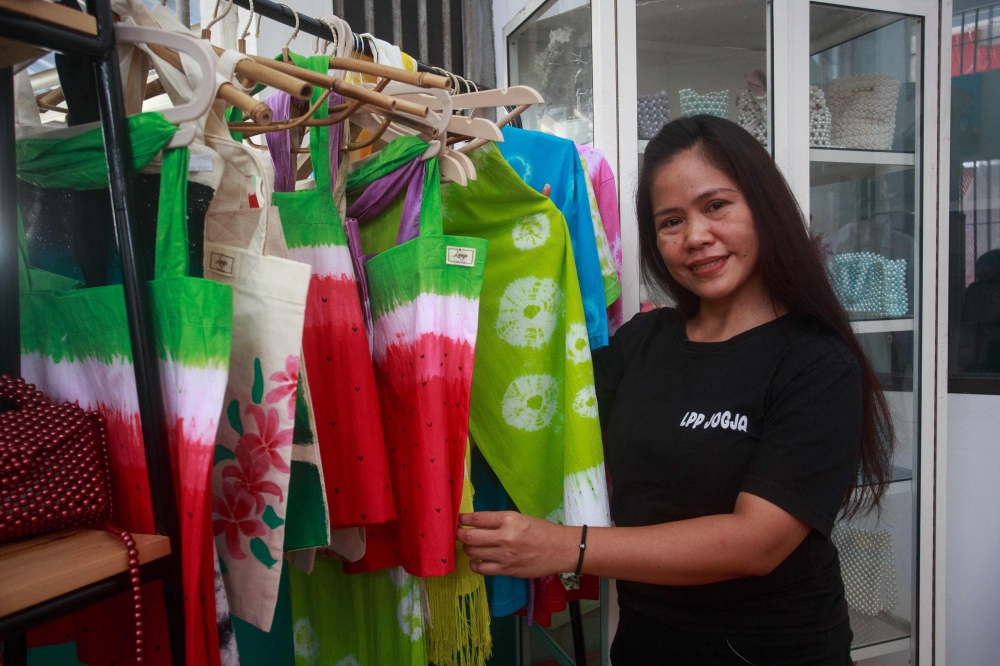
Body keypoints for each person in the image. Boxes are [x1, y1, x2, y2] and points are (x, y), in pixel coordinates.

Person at [457, 116, 895, 665]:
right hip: (646, 643)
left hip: (773, 649)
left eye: (716, 206)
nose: (695, 237)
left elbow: (757, 541)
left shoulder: (815, 361)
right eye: (670, 221)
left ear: (763, 207)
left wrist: (566, 546)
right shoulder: (644, 339)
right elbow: (544, 399)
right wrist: (521, 252)